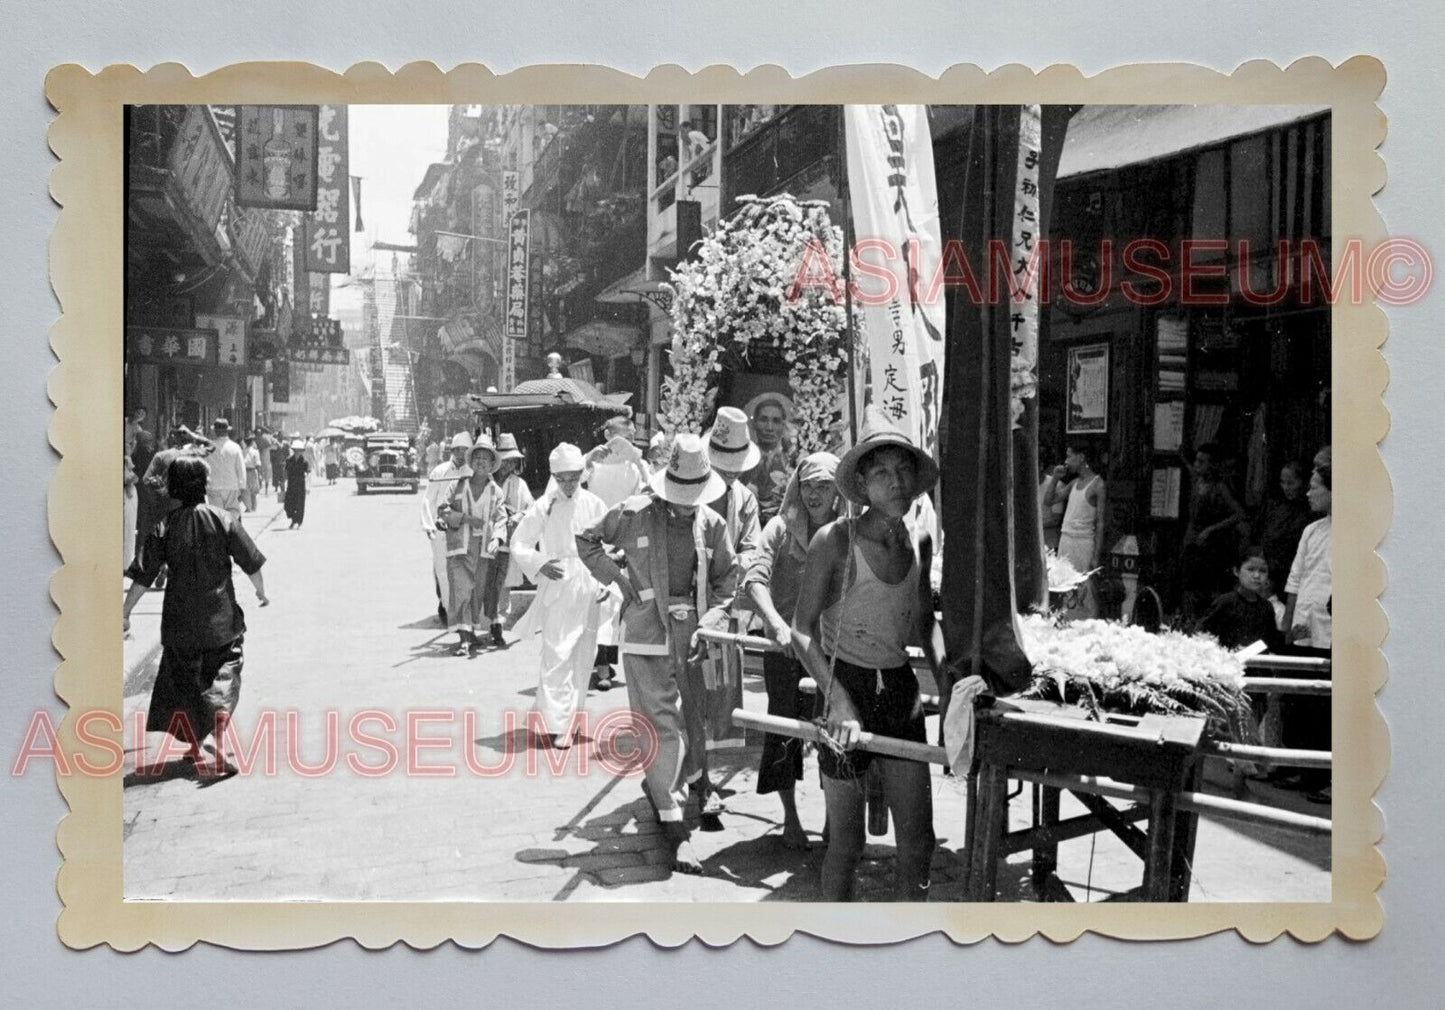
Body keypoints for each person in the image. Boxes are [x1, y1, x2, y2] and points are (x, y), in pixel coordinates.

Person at [790, 408, 944, 901]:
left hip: (900, 693)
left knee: (918, 843)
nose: (895, 483)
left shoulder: (919, 541)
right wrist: (837, 700)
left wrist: (951, 693)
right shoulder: (834, 541)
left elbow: (925, 625)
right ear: (861, 482)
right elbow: (801, 630)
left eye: (903, 471)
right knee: (846, 843)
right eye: (881, 473)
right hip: (846, 687)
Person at [576, 434, 737, 874]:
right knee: (659, 725)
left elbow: (728, 581)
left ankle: (683, 789)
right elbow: (586, 540)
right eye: (680, 495)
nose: (687, 504)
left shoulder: (713, 525)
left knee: (693, 721)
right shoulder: (634, 514)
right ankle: (674, 827)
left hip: (695, 636)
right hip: (647, 634)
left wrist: (714, 620)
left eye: (694, 496)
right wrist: (620, 582)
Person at [122, 456, 269, 778]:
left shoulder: (164, 525)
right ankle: (217, 737)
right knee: (223, 676)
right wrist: (260, 592)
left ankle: (193, 746)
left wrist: (126, 611)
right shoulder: (223, 519)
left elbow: (144, 575)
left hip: (179, 621)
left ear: (174, 487)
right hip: (220, 619)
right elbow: (252, 563)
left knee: (185, 683)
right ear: (205, 485)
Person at [744, 451, 841, 850]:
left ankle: (836, 821)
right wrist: (776, 624)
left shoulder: (847, 531)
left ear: (838, 490)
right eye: (808, 485)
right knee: (784, 732)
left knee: (833, 734)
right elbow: (754, 578)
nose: (815, 494)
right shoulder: (780, 528)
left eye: (824, 486)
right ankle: (790, 818)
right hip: (784, 649)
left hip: (833, 653)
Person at [510, 443, 611, 749]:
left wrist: (606, 579)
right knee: (556, 653)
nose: (568, 484)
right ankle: (554, 721)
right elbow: (520, 543)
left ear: (582, 474)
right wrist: (541, 563)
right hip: (558, 583)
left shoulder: (594, 503)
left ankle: (569, 724)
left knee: (583, 654)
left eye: (574, 477)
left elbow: (607, 545)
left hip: (588, 581)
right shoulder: (545, 505)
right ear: (555, 476)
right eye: (562, 477)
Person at [690, 406, 764, 810]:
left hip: (726, 608)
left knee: (719, 694)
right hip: (688, 608)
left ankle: (705, 774)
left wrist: (742, 564)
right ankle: (690, 776)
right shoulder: (690, 493)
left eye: (736, 468)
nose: (730, 474)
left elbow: (752, 546)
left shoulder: (745, 499)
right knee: (689, 692)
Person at [1281, 463, 1333, 803]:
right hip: (1302, 622)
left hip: (1331, 629)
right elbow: (1296, 577)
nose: (1308, 492)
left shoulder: (1356, 531)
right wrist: (1288, 621)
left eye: (1315, 486)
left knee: (1325, 705)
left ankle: (1322, 774)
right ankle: (1298, 766)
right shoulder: (1312, 530)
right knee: (1299, 700)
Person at [438, 439, 506, 656]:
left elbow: (500, 518)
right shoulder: (457, 485)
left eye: (486, 459)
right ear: (472, 461)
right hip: (460, 547)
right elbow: (443, 510)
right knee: (461, 590)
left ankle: (470, 632)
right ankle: (464, 639)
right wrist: (465, 518)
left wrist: (497, 538)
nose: (481, 463)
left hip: (483, 549)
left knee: (476, 591)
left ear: (492, 464)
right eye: (477, 458)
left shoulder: (496, 491)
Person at [1180, 443, 1248, 622]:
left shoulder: (1219, 487)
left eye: (1202, 461)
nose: (1197, 464)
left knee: (1206, 591)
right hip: (1191, 543)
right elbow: (1189, 467)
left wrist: (1211, 530)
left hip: (1208, 547)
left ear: (1212, 465)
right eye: (1196, 460)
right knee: (1188, 588)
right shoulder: (1197, 480)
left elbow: (1239, 514)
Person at [484, 432, 535, 647]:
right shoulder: (485, 480)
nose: (507, 464)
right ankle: (489, 622)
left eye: (511, 460)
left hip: (508, 538)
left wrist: (517, 515)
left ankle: (498, 625)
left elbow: (530, 507)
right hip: (487, 537)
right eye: (504, 460)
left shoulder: (518, 483)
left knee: (503, 583)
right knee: (486, 580)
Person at [422, 432, 472, 626]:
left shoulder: (474, 472)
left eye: (465, 450)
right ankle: (447, 608)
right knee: (442, 571)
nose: (461, 454)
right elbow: (428, 500)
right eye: (458, 449)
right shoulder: (439, 472)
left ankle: (464, 613)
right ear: (452, 451)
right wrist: (429, 525)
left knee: (465, 571)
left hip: (465, 529)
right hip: (441, 531)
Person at [1197, 545, 1285, 652]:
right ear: (1236, 571)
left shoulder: (1266, 607)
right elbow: (1202, 634)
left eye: (1262, 571)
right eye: (1250, 569)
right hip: (1229, 665)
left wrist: (1290, 636)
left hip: (1257, 665)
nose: (1256, 575)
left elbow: (1270, 641)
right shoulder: (1225, 602)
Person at [1055, 442, 1106, 618]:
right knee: (1067, 586)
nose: (1066, 461)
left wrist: (1096, 555)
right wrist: (1055, 478)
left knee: (1084, 587)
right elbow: (1050, 501)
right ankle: (1068, 621)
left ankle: (1087, 624)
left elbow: (1100, 522)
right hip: (1066, 539)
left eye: (1069, 456)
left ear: (1081, 457)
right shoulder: (1074, 483)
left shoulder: (1098, 484)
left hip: (1084, 543)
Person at [1251, 460, 1314, 595]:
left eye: (1290, 483)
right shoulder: (1274, 505)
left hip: (1290, 573)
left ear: (1304, 482)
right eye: (1282, 482)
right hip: (1268, 568)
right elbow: (1260, 534)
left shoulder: (1310, 512)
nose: (1285, 487)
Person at [741, 396, 797, 524]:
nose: (769, 427)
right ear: (753, 424)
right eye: (763, 420)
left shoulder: (793, 459)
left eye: (776, 421)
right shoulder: (743, 459)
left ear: (784, 425)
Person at [583, 416, 649, 508]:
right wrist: (589, 460)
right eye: (624, 439)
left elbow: (646, 490)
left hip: (622, 518)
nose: (628, 444)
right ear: (608, 435)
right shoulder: (594, 459)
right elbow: (576, 477)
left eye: (631, 439)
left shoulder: (637, 464)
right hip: (597, 516)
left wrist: (639, 465)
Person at [205, 418, 247, 520]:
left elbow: (204, 468)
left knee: (217, 518)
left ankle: (220, 535)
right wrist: (242, 487)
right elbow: (241, 469)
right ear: (227, 431)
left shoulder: (208, 448)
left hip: (213, 487)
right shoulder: (235, 447)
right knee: (232, 517)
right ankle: (230, 534)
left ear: (215, 431)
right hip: (231, 487)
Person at [1038, 462, 1075, 553]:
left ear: (1041, 466)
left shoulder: (1057, 485)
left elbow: (1055, 519)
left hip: (1050, 543)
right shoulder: (1023, 485)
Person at [283, 440, 309, 529]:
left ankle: (298, 522)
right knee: (288, 505)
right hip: (291, 485)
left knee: (300, 505)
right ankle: (294, 519)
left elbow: (308, 474)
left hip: (301, 485)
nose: (298, 452)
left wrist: (308, 486)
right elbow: (285, 472)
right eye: (296, 450)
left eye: (299, 450)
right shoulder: (289, 460)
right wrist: (282, 484)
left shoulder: (304, 462)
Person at [122, 452, 139, 574]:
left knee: (128, 529)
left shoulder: (126, 459)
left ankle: (126, 563)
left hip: (128, 496)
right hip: (125, 496)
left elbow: (133, 477)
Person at [243, 435, 262, 511]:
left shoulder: (242, 451)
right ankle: (251, 507)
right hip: (252, 471)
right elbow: (258, 464)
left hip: (246, 472)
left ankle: (250, 507)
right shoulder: (255, 451)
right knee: (252, 491)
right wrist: (260, 474)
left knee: (247, 490)